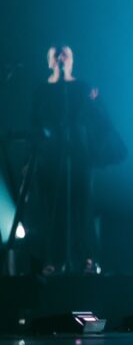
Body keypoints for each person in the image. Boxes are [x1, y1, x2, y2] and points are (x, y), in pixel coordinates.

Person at [29, 44, 125, 274]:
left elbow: (101, 122)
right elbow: (34, 124)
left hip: (78, 155)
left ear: (71, 60)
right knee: (53, 207)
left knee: (81, 206)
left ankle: (86, 258)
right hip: (51, 158)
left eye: (65, 54)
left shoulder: (83, 88)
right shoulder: (42, 91)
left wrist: (96, 105)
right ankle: (53, 259)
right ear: (49, 61)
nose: (61, 58)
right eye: (56, 55)